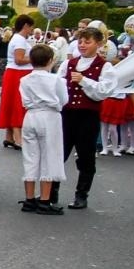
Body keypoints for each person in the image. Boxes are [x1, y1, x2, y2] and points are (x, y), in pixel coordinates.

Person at [60, 25, 116, 210]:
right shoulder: (68, 63)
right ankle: (50, 192)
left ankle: (81, 194)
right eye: (80, 41)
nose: (83, 45)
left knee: (85, 156)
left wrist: (83, 81)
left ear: (98, 44)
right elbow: (58, 86)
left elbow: (103, 92)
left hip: (87, 116)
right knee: (58, 154)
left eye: (87, 42)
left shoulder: (105, 66)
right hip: (66, 115)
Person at [19, 43, 67, 215]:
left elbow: (24, 99)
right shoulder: (56, 80)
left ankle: (29, 198)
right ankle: (45, 201)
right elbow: (63, 99)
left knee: (30, 156)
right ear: (50, 60)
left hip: (31, 115)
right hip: (49, 116)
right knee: (49, 157)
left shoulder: (24, 80)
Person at [0, 15, 36, 148]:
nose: (32, 29)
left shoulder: (18, 38)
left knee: (12, 103)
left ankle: (9, 136)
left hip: (14, 73)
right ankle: (18, 138)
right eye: (31, 27)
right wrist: (36, 58)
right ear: (26, 26)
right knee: (18, 104)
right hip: (18, 73)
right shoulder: (20, 40)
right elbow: (19, 60)